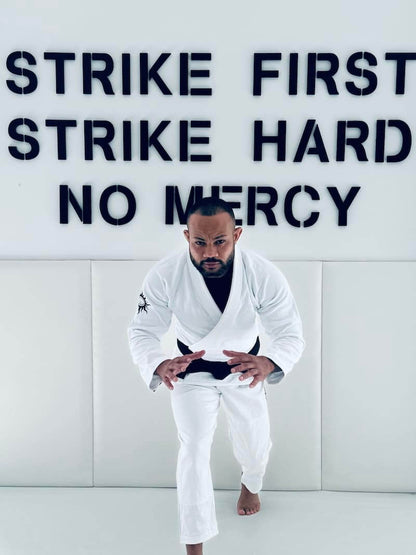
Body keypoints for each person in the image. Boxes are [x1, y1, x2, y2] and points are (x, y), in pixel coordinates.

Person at [127, 196, 305, 555]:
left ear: (236, 235)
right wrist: (159, 363)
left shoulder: (262, 273)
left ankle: (250, 482)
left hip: (245, 369)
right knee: (193, 447)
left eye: (220, 241)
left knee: (255, 444)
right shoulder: (165, 274)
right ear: (186, 237)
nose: (210, 251)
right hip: (190, 371)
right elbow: (141, 330)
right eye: (200, 242)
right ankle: (194, 541)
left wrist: (269, 362)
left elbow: (290, 331)